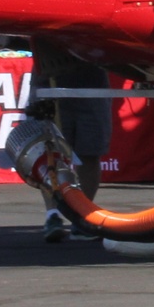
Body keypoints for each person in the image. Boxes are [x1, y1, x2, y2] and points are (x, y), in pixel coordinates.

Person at [29, 36, 111, 241]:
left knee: (89, 153)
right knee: (50, 151)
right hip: (49, 74)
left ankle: (83, 215)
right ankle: (52, 214)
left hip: (90, 78)